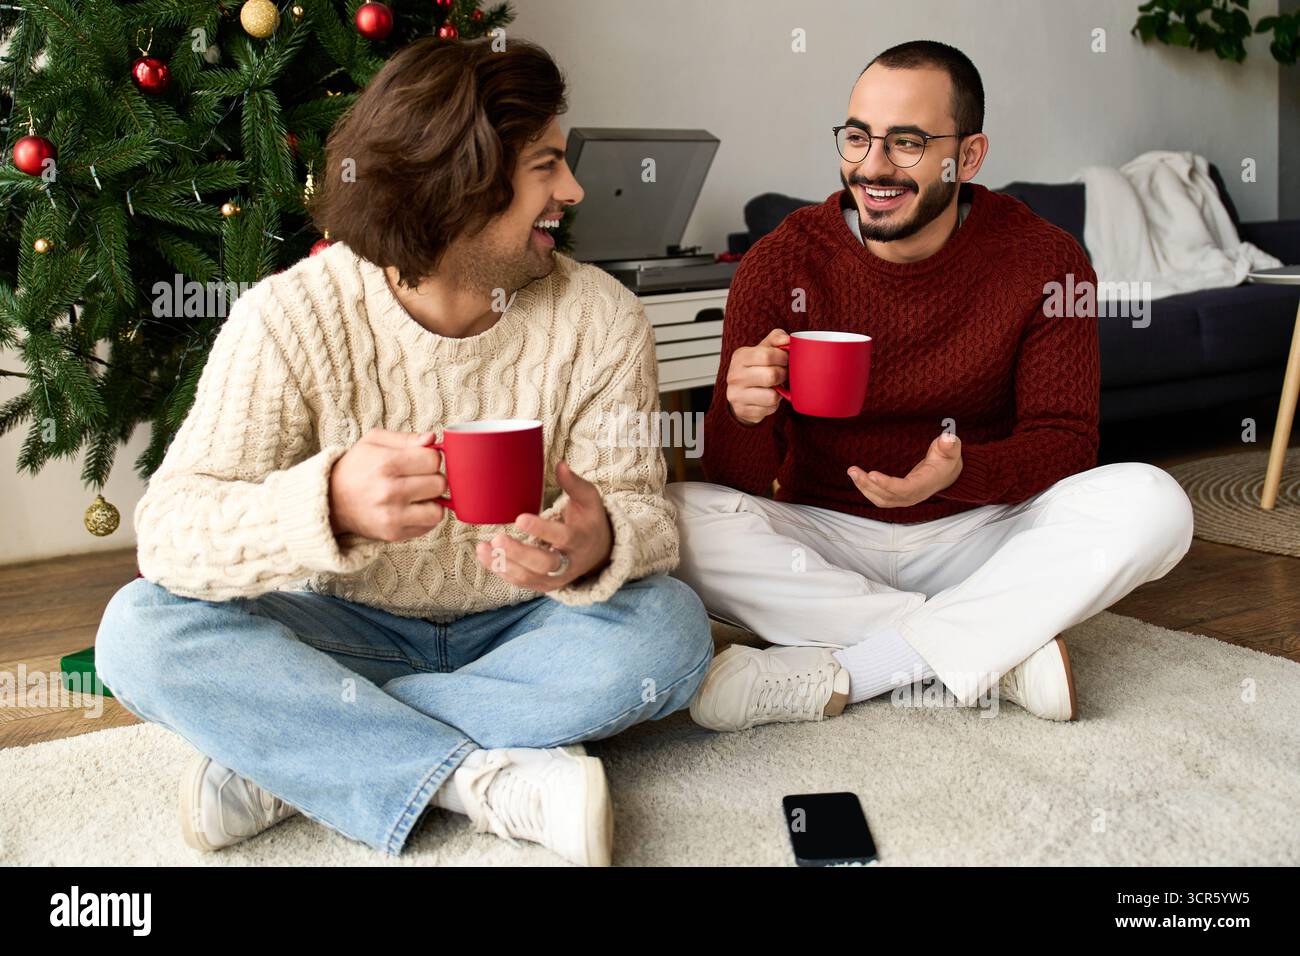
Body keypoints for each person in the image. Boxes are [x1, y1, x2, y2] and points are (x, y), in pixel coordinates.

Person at [94, 36, 712, 867]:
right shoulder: (293, 316)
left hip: (531, 627)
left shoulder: (601, 318)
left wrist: (600, 542)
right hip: (342, 624)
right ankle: (478, 781)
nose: (572, 190)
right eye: (546, 166)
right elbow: (169, 532)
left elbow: (643, 514)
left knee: (670, 631)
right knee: (140, 630)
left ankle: (295, 757)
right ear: (463, 180)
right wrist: (328, 505)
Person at [666, 40, 1193, 732]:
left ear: (968, 157)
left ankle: (859, 668)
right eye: (857, 138)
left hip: (979, 534)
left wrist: (957, 474)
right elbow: (737, 481)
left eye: (907, 143)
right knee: (673, 517)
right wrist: (738, 411)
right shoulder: (780, 263)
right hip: (826, 536)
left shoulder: (1045, 259)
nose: (873, 167)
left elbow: (1065, 447)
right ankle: (997, 651)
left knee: (1156, 504)